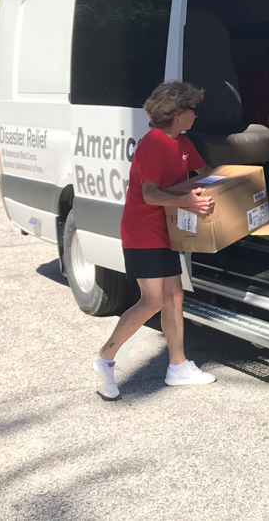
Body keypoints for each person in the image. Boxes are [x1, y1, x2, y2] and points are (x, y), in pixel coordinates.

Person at [92, 81, 218, 400]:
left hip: (166, 229)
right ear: (177, 113)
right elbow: (149, 194)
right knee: (152, 301)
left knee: (174, 296)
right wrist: (187, 201)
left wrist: (229, 186)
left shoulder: (183, 142)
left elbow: (205, 172)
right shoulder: (153, 144)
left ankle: (178, 366)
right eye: (193, 109)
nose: (196, 115)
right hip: (142, 231)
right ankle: (106, 357)